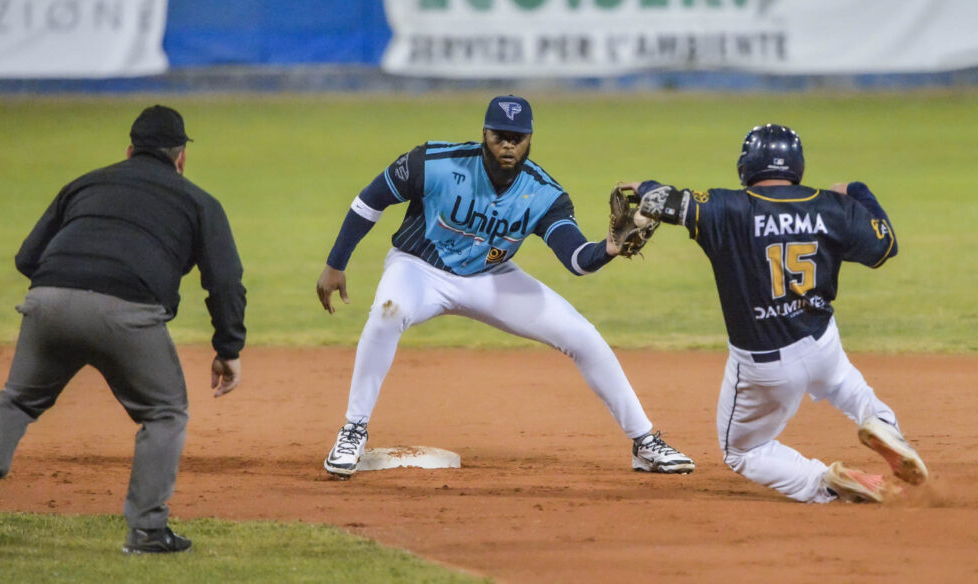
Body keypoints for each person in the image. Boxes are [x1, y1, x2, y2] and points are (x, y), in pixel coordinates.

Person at [316, 95, 693, 479]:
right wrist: (335, 263)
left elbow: (576, 258)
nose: (508, 145)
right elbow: (369, 201)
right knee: (386, 313)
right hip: (418, 268)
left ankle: (645, 441)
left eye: (518, 136)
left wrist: (610, 248)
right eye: (500, 136)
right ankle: (353, 429)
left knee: (582, 335)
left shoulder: (544, 194)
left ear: (530, 139)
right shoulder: (433, 163)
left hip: (490, 276)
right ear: (484, 133)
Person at [0, 105, 246, 552]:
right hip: (127, 314)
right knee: (165, 413)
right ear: (180, 158)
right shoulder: (199, 201)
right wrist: (228, 347)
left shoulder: (84, 183)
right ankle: (146, 530)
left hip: (48, 301)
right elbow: (225, 282)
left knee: (18, 399)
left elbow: (28, 257)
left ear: (128, 150)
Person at [627, 123, 927, 503]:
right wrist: (856, 192)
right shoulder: (832, 208)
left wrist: (640, 186)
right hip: (821, 343)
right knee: (848, 386)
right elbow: (885, 245)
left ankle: (826, 481)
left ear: (747, 166)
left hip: (765, 367)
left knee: (742, 452)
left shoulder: (725, 207)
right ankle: (884, 425)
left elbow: (663, 200)